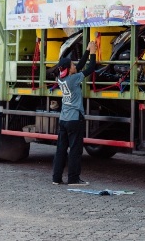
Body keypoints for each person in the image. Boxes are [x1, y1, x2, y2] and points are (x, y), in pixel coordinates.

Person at [52, 40, 98, 186]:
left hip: (64, 120)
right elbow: (90, 68)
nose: (74, 66)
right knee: (75, 151)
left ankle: (56, 178)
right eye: (72, 64)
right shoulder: (73, 79)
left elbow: (78, 67)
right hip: (74, 120)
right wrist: (93, 52)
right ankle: (73, 179)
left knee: (61, 150)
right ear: (68, 69)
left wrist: (86, 50)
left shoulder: (61, 78)